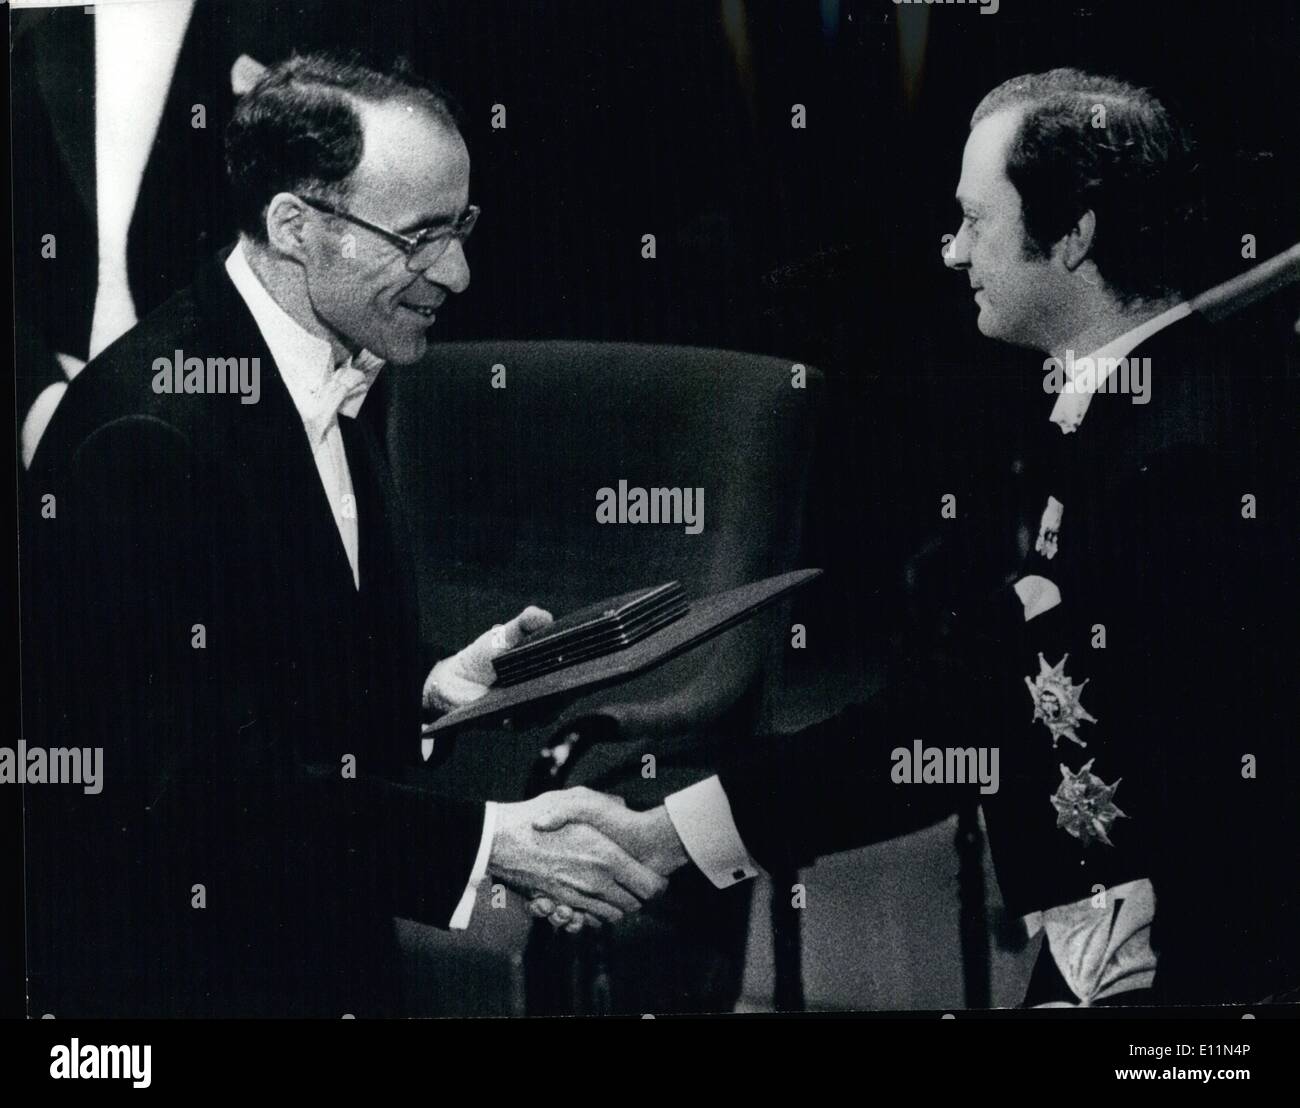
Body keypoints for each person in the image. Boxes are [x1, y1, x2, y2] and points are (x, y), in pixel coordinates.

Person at [529, 69, 1298, 1007]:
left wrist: (665, 835)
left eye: (976, 220)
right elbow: (976, 699)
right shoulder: (1123, 414)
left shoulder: (1184, 463)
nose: (950, 251)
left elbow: (1002, 730)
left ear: (1076, 237)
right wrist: (669, 834)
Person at [20, 52, 664, 1018]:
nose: (457, 269)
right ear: (293, 227)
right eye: (420, 237)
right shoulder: (145, 434)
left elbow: (263, 694)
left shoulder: (334, 363)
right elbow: (194, 793)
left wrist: (427, 693)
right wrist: (494, 845)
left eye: (463, 226)